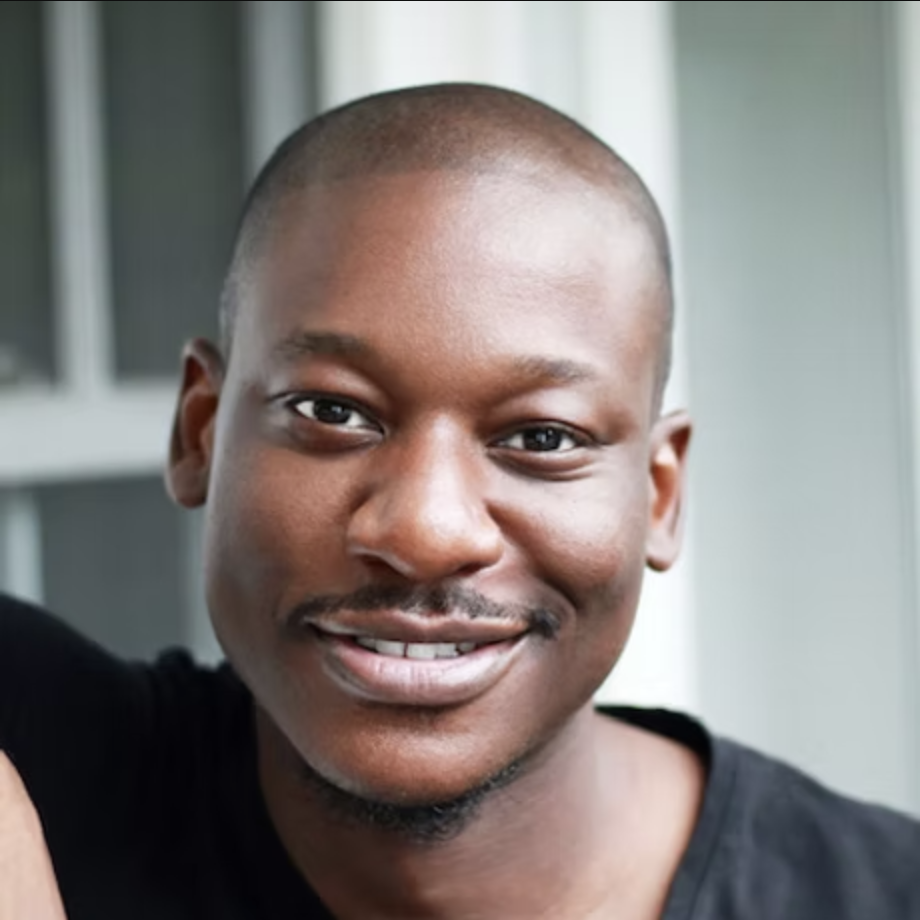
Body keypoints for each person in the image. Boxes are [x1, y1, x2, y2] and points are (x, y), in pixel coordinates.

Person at [1, 83, 918, 920]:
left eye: (542, 438)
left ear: (659, 494)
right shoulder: (42, 774)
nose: (428, 533)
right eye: (333, 411)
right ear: (200, 431)